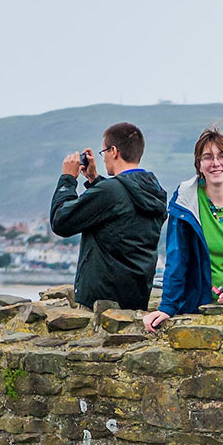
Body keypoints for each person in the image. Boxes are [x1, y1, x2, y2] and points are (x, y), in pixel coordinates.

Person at [142, 129, 223, 331]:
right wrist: (167, 307)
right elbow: (177, 259)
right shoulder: (185, 203)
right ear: (199, 165)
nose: (215, 163)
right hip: (196, 305)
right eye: (207, 157)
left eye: (222, 156)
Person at [49, 122, 168, 310]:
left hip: (102, 302)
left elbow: (61, 222)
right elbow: (122, 207)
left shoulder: (110, 192)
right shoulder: (154, 190)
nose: (103, 158)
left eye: (103, 152)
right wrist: (95, 180)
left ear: (113, 150)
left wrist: (68, 179)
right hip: (137, 297)